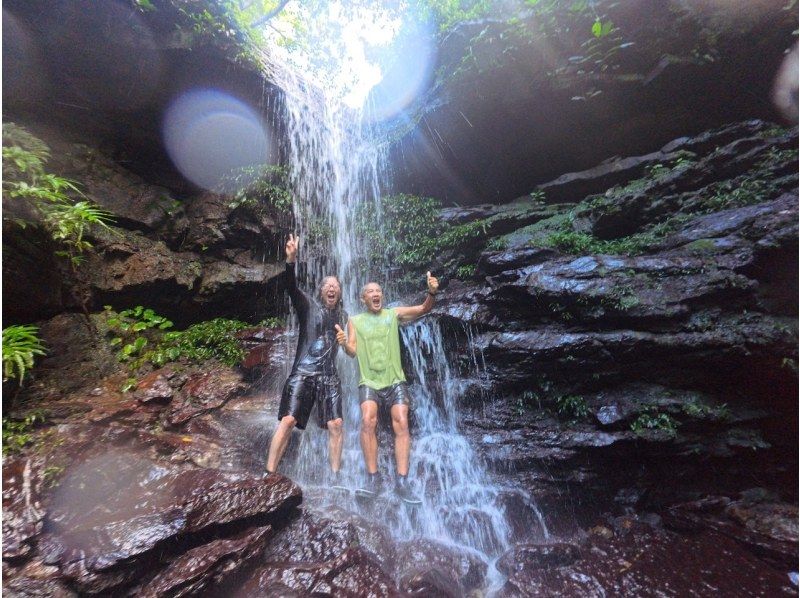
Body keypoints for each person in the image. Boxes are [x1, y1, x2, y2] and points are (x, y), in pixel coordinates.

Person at [336, 272, 439, 504]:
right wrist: (343, 344)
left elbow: (424, 308)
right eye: (371, 292)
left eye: (378, 291)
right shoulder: (355, 320)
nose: (376, 294)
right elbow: (352, 351)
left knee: (402, 420)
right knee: (367, 419)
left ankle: (402, 481)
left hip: (395, 381)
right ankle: (373, 478)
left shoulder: (393, 314)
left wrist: (432, 292)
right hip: (369, 381)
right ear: (363, 299)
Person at [265, 234, 347, 487]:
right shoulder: (307, 305)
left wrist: (348, 343)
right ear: (321, 291)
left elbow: (353, 348)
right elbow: (290, 286)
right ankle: (269, 474)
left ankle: (334, 478)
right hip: (303, 371)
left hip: (329, 376)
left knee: (336, 424)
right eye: (327, 285)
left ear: (341, 292)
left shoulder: (345, 316)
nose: (332, 288)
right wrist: (290, 259)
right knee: (288, 420)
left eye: (336, 285)